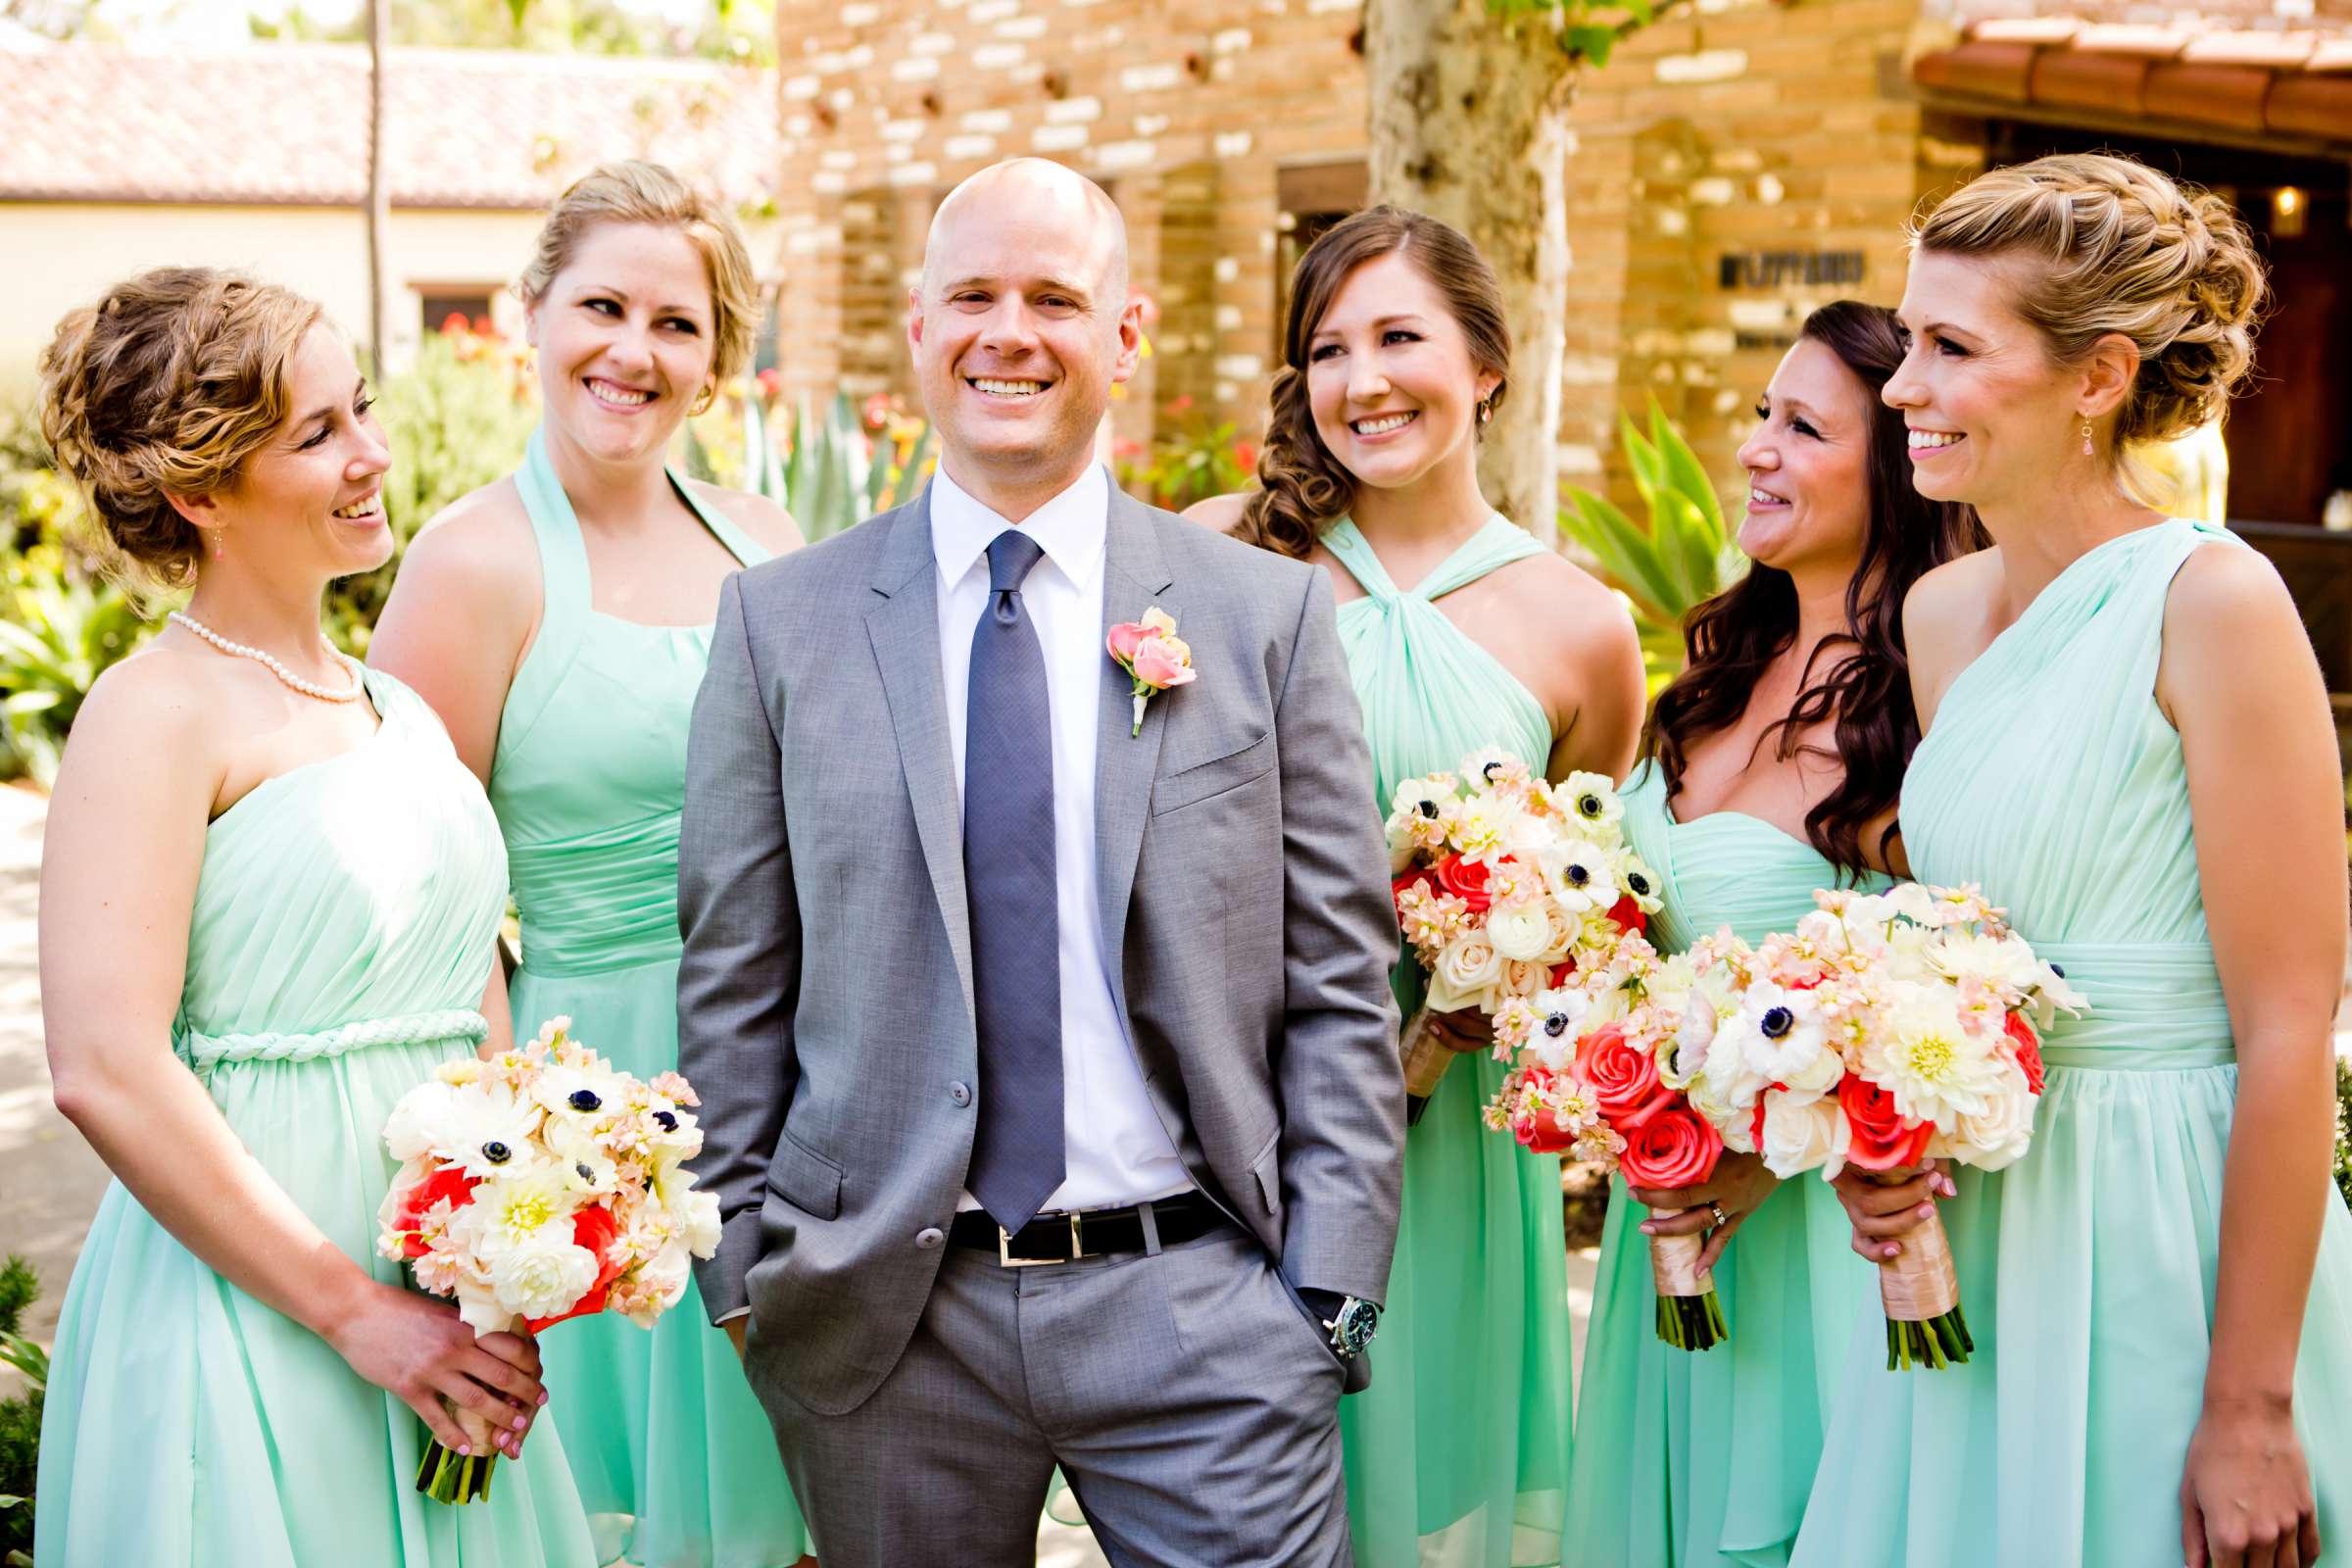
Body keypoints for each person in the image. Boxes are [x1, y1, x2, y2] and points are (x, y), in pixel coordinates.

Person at [676, 157, 1405, 1567]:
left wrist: (1332, 1304)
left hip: (1206, 1314)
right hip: (888, 1328)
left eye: (1056, 299)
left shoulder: (1263, 619)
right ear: (917, 326)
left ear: (1125, 337)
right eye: (975, 296)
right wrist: (743, 1280)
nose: (1011, 332)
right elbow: (734, 982)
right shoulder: (781, 627)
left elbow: (1338, 984)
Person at [1795, 152, 2352, 1568]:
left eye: (1951, 348)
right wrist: (1882, 1137)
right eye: (1908, 341)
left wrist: (2249, 1406)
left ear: (2100, 378)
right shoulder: (1938, 613)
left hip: (2160, 1228)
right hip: (1974, 1238)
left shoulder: (2214, 601)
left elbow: (2292, 1028)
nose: (1902, 387)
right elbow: (1958, 964)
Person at [31, 268, 591, 1567]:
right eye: (318, 433)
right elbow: (104, 1069)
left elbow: (477, 1002)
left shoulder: (400, 710)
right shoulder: (154, 711)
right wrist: (355, 1315)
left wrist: (513, 1271)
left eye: (363, 410)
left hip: (444, 1299)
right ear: (199, 490)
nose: (373, 455)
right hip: (259, 1302)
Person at [368, 160, 811, 1568]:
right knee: (614, 1513)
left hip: (799, 1089)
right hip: (593, 1109)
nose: (634, 351)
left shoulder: (773, 542)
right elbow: (411, 894)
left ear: (719, 357)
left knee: (799, 1496)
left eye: (676, 323)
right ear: (533, 313)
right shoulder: (473, 564)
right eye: (602, 305)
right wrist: (519, 1162)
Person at [1191, 205, 1644, 1567]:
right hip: (1221, 1106)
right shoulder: (1218, 551)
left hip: (1438, 1145)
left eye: (1401, 337)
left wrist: (1468, 990)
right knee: (1223, 1474)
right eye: (1329, 349)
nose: (1363, 379)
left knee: (1405, 1474)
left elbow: (1584, 898)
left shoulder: (1582, 626)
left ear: (1490, 363)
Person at [1563, 301, 1979, 1567]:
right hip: (1676, 1221)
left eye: (1803, 427)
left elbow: (1949, 986)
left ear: (1903, 466)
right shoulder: (1712, 680)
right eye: (1761, 416)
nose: (1756, 450)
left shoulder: (1928, 700)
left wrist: (1766, 1144)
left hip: (1817, 1241)